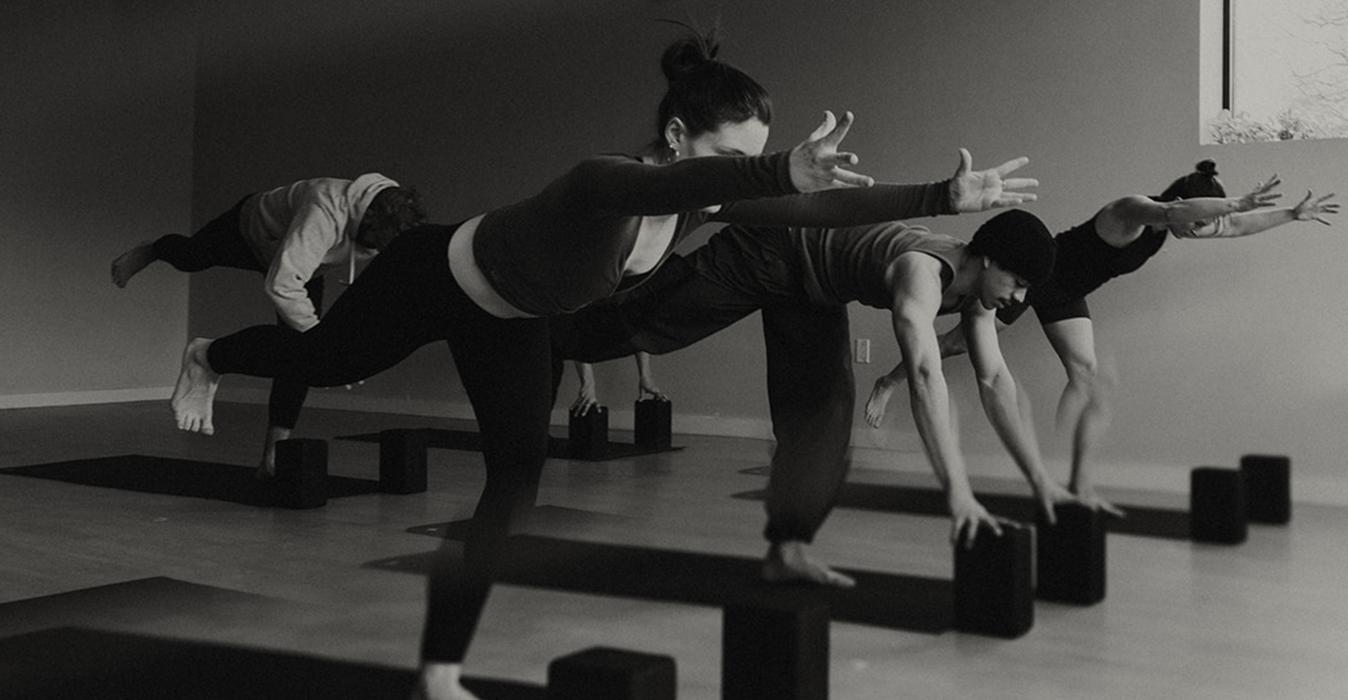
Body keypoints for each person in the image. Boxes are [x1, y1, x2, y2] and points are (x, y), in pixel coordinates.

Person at [163, 33, 1033, 700]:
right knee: (322, 360)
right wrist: (773, 166)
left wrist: (940, 199)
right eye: (726, 155)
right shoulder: (603, 181)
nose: (734, 177)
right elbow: (676, 190)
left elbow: (820, 205)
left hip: (513, 321)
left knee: (514, 480)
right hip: (433, 276)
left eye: (747, 160)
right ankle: (212, 355)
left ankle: (438, 672)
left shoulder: (710, 193)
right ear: (676, 133)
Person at [550, 210, 1086, 587]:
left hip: (814, 285)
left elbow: (997, 383)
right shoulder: (922, 273)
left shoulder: (978, 295)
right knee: (642, 321)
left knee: (826, 417)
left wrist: (1040, 480)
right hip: (767, 249)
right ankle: (538, 326)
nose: (1017, 299)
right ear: (988, 260)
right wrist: (958, 491)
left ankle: (788, 550)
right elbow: (925, 374)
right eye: (1015, 283)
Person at [862, 160, 1339, 511]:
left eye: (1204, 226)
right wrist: (1231, 202)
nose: (1200, 232)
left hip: (1069, 295)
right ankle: (889, 381)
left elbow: (1233, 227)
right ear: (1179, 206)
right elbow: (1182, 211)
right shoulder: (1131, 211)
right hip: (1038, 279)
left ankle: (1081, 485)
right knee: (951, 345)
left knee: (1090, 377)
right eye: (1197, 222)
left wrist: (1291, 215)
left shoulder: (1178, 226)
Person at [111, 174, 426, 477]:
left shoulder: (388, 222)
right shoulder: (324, 208)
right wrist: (325, 341)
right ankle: (153, 249)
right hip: (249, 233)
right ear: (368, 218)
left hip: (305, 267)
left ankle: (273, 453)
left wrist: (345, 352)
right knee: (192, 257)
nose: (375, 251)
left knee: (301, 356)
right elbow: (282, 284)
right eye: (376, 244)